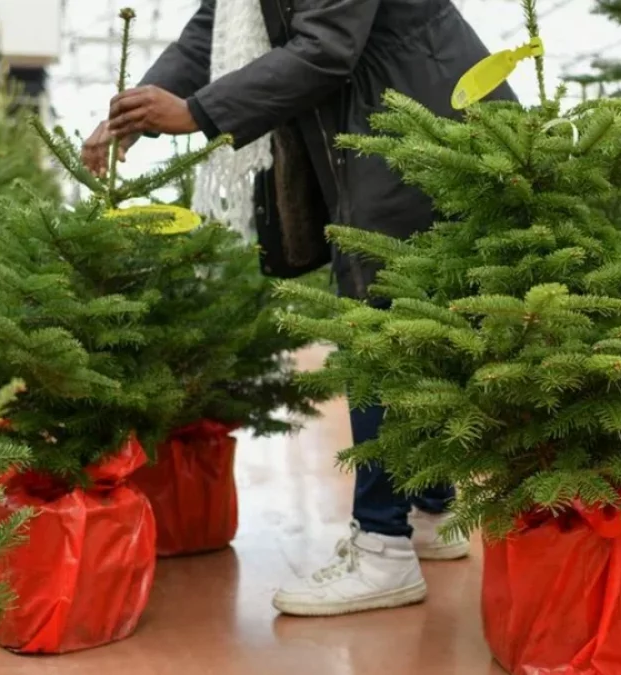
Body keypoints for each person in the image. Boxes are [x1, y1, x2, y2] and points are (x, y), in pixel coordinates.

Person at [80, 0, 516, 617]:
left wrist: (197, 113)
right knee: (410, 322)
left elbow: (327, 45)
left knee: (380, 326)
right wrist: (135, 113)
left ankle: (383, 549)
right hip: (383, 118)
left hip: (421, 121)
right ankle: (428, 513)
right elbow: (214, 28)